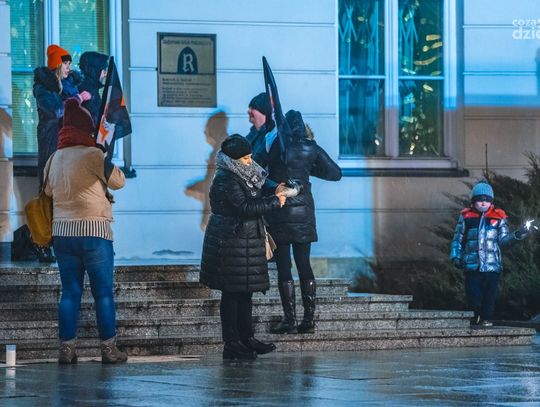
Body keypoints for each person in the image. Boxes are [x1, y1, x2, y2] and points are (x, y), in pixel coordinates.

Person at [44, 97, 127, 364]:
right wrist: (102, 154)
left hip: (62, 234)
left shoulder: (54, 158)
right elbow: (119, 181)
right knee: (102, 293)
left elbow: (48, 191)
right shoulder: (93, 155)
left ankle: (66, 350)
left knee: (69, 292)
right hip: (94, 233)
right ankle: (109, 350)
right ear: (86, 129)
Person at [200, 134, 286, 360]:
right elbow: (244, 207)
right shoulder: (226, 179)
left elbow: (260, 181)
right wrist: (275, 202)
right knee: (232, 295)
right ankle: (232, 343)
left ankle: (247, 338)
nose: (250, 161)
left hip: (246, 242)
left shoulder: (244, 172)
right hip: (231, 243)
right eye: (246, 158)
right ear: (233, 160)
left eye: (250, 157)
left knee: (245, 293)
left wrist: (276, 188)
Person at [266, 110, 342, 335]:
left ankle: (289, 320)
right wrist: (308, 169)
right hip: (303, 214)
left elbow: (261, 171)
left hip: (280, 211)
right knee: (304, 265)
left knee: (284, 268)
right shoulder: (311, 148)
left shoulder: (276, 146)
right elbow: (335, 173)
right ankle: (308, 320)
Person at [33, 45, 90, 263]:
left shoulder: (68, 85)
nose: (68, 67)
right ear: (57, 64)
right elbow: (57, 110)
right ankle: (41, 242)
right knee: (47, 193)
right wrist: (79, 99)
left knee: (66, 195)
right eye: (65, 63)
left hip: (68, 146)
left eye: (69, 64)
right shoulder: (43, 88)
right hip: (51, 144)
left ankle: (63, 243)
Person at [450, 180, 532, 327]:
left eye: (486, 200)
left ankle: (487, 318)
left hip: (491, 266)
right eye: (479, 200)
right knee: (473, 295)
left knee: (489, 296)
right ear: (473, 201)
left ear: (491, 202)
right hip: (472, 265)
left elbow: (504, 241)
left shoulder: (498, 217)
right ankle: (475, 316)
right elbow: (458, 239)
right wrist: (456, 256)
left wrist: (518, 235)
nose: (483, 203)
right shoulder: (467, 217)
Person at [245, 92, 276, 168]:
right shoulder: (252, 133)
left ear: (263, 110)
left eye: (252, 108)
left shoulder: (271, 135)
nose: (248, 111)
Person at [78, 51, 109, 125]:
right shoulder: (88, 90)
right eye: (104, 70)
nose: (105, 74)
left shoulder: (89, 87)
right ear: (96, 70)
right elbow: (94, 120)